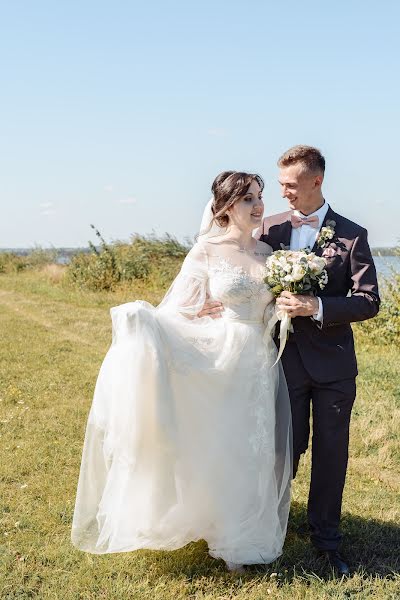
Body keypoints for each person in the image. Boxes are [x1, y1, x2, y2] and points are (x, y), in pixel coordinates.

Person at [71, 171, 292, 572]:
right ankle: (219, 528)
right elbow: (177, 309)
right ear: (225, 207)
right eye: (247, 199)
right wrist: (158, 318)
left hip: (259, 361)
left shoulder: (270, 254)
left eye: (260, 196)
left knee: (252, 447)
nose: (259, 205)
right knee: (222, 444)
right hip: (221, 356)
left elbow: (275, 305)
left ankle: (244, 534)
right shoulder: (205, 251)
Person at [201, 147, 380, 575]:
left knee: (331, 454)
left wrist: (316, 305)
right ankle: (267, 529)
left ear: (316, 181)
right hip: (279, 362)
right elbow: (238, 266)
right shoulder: (270, 228)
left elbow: (368, 301)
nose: (283, 193)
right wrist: (218, 305)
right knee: (281, 451)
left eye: (291, 185)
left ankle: (327, 542)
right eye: (280, 184)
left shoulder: (352, 235)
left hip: (334, 365)